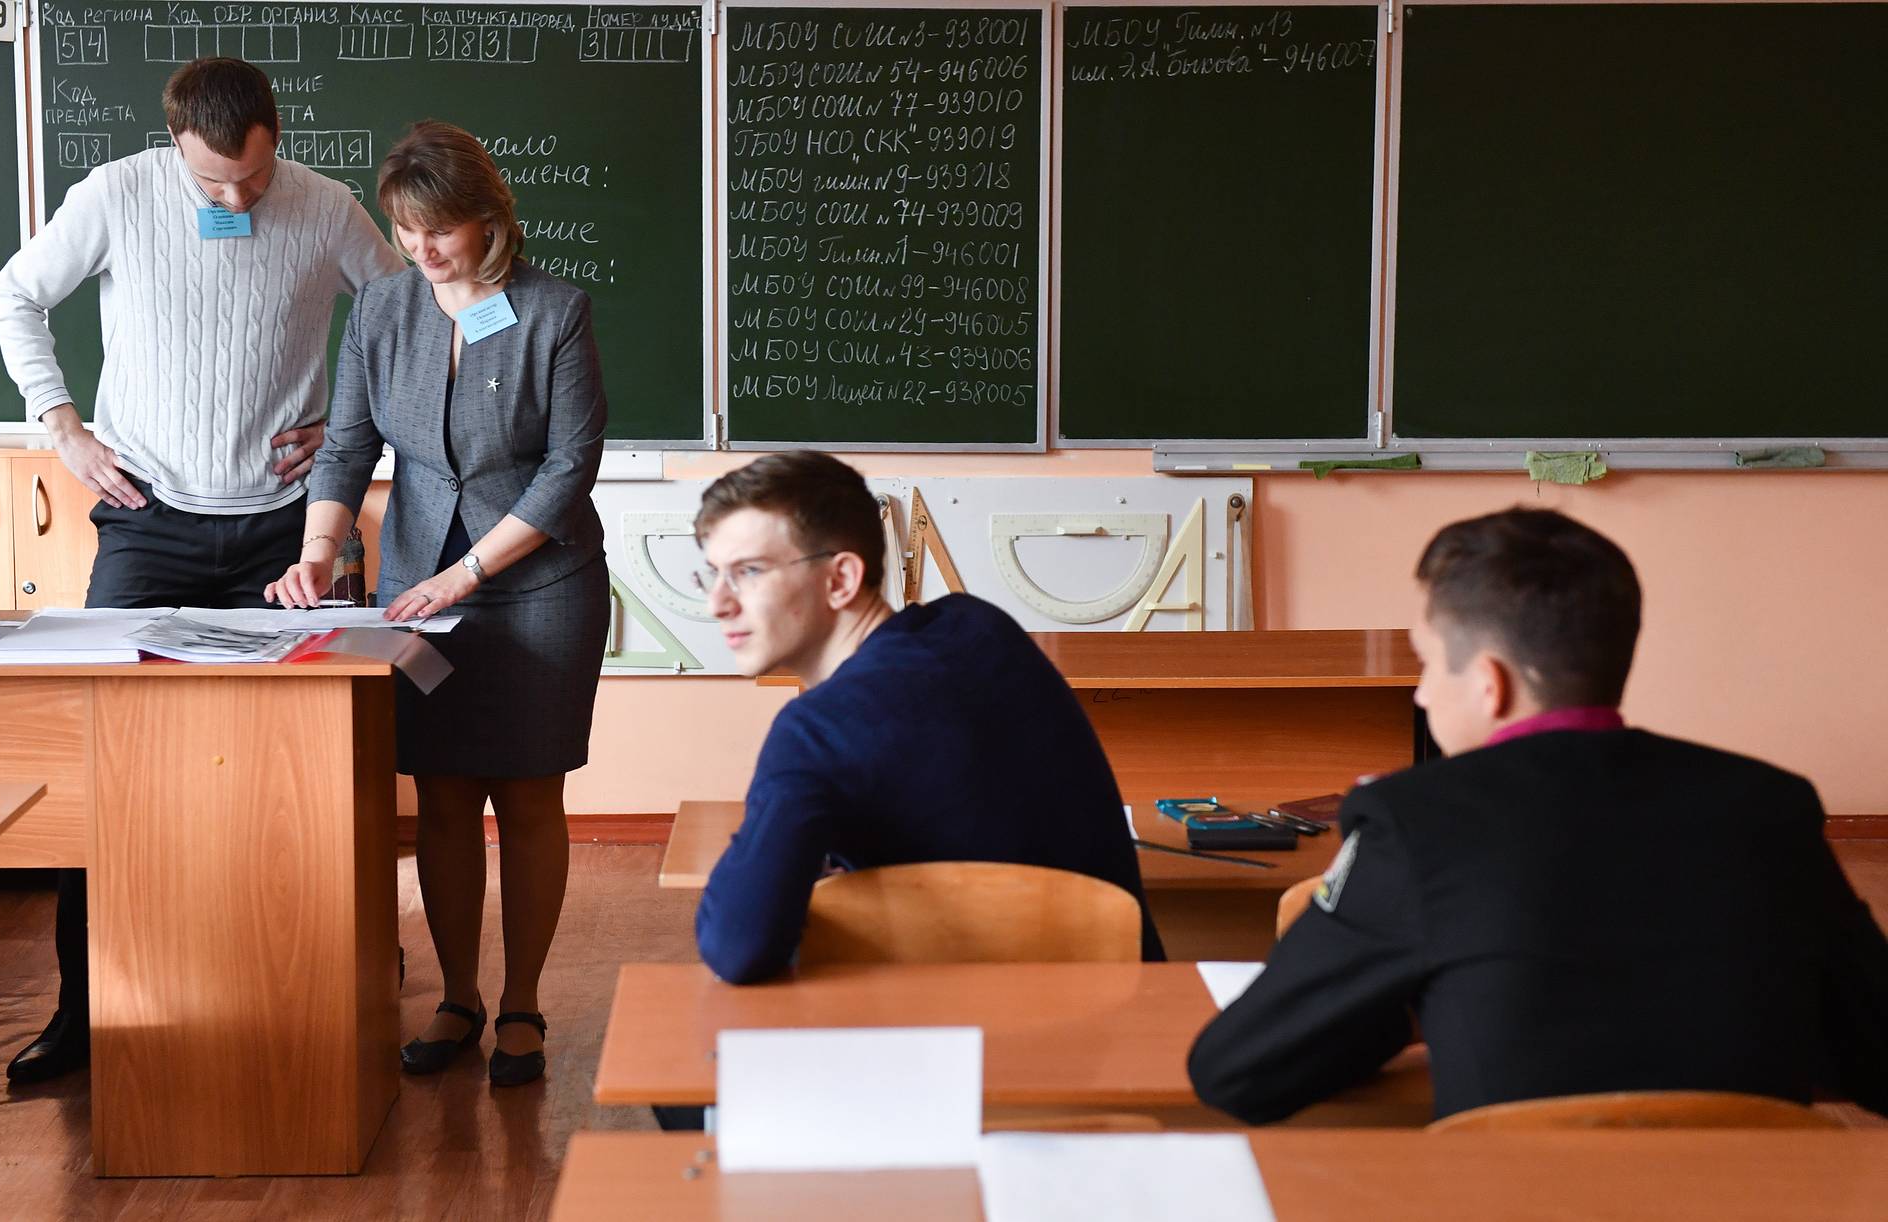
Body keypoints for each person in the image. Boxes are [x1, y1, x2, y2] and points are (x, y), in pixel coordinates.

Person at [1187, 507, 1888, 1124]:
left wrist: (1405, 1011)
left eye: (1428, 665)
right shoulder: (1768, 803)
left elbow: (1238, 1073)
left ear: (1491, 684)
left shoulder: (1414, 820)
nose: (1424, 695)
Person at [0, 57, 404, 1084]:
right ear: (176, 142)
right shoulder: (117, 194)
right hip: (147, 517)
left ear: (274, 135)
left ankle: (349, 980)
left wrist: (354, 431)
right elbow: (14, 295)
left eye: (253, 178)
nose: (236, 198)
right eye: (214, 182)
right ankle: (84, 1010)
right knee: (109, 773)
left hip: (288, 535)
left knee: (317, 776)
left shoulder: (328, 205)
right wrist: (65, 430)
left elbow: (407, 318)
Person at [268, 120, 610, 1087]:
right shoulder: (382, 310)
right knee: (446, 800)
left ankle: (523, 1008)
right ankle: (459, 999)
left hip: (537, 585)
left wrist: (471, 574)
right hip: (416, 581)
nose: (421, 248)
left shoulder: (554, 312)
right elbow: (346, 446)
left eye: (439, 229)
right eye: (405, 227)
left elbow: (567, 469)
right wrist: (320, 550)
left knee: (529, 796)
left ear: (488, 218)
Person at [690, 451, 1164, 984]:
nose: (717, 604)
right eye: (712, 575)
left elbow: (736, 947)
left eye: (748, 572)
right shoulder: (980, 625)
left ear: (841, 579)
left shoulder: (815, 733)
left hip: (961, 1035)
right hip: (1129, 1007)